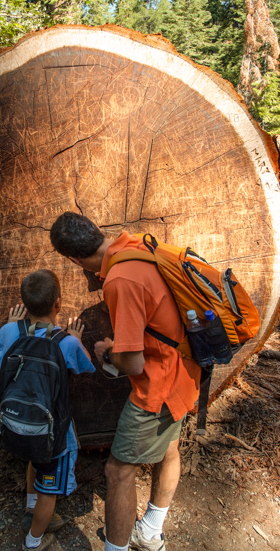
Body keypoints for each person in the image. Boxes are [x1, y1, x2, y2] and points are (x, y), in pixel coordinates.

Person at [50, 212, 201, 551]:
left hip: (158, 384)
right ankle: (150, 531)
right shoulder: (135, 244)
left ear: (75, 259)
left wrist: (108, 352)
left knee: (117, 472)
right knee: (169, 449)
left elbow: (133, 363)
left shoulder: (120, 279)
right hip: (185, 368)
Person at [0, 269, 95, 551]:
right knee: (51, 490)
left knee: (34, 458)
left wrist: (8, 328)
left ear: (23, 302)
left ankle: (29, 508)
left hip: (17, 423)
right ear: (58, 303)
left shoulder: (11, 331)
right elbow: (85, 366)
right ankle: (34, 541)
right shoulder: (66, 343)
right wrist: (77, 339)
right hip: (54, 433)